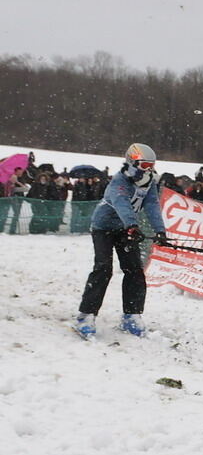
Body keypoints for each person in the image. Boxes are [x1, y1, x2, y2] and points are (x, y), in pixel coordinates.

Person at [72, 143, 168, 338]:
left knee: (134, 270)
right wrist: (132, 224)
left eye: (151, 165)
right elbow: (121, 203)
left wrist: (160, 230)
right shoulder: (119, 181)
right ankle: (86, 315)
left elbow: (151, 204)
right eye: (144, 165)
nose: (148, 170)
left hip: (125, 229)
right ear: (133, 162)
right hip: (104, 228)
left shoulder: (149, 182)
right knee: (103, 268)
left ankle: (132, 315)